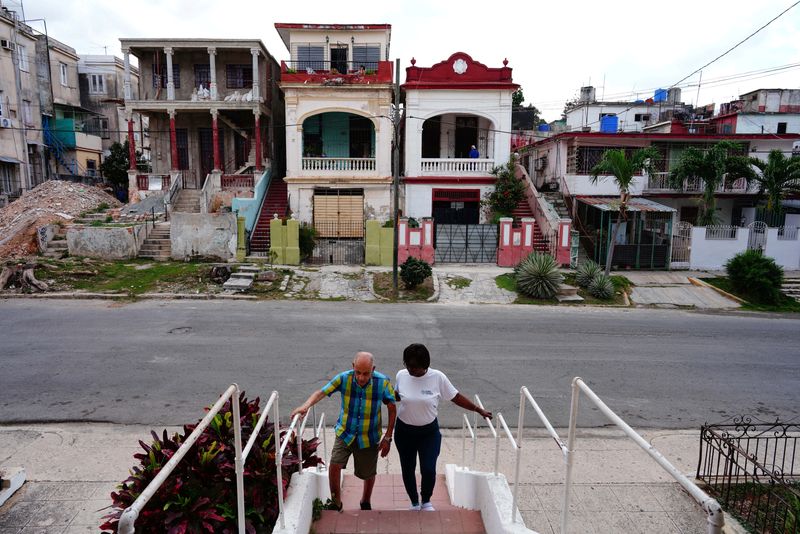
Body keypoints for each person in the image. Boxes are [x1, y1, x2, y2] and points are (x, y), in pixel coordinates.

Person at [291, 352, 396, 511]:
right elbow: (321, 392)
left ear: (373, 370)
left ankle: (365, 501)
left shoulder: (382, 383)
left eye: (366, 373)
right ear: (353, 367)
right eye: (358, 372)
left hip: (369, 436)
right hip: (345, 432)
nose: (361, 377)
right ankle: (336, 503)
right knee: (334, 464)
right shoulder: (344, 378)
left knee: (368, 473)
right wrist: (306, 405)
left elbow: (392, 408)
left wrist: (388, 437)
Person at [393, 343, 491, 511]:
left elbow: (455, 397)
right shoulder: (401, 375)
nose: (410, 369)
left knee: (429, 469)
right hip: (404, 432)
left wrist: (477, 409)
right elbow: (396, 396)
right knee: (408, 469)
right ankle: (414, 502)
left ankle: (426, 500)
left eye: (414, 367)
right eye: (407, 365)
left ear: (425, 365)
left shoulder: (437, 377)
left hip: (428, 433)